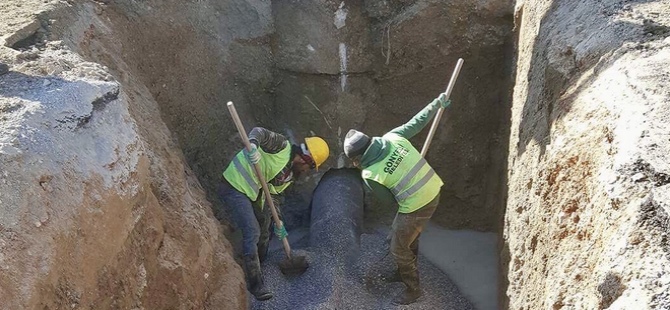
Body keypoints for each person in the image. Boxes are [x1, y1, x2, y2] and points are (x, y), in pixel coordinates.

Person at [343, 94, 451, 305]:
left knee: (397, 247)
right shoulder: (393, 137)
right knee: (408, 233)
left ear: (357, 159)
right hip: (434, 188)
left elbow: (389, 202)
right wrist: (436, 104)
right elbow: (417, 122)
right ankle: (403, 271)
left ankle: (413, 288)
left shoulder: (370, 174)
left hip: (418, 204)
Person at [218, 127, 329, 301]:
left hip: (254, 193)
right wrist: (253, 147)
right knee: (252, 231)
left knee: (265, 227)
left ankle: (260, 262)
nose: (308, 170)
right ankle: (256, 284)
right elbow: (258, 132)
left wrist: (279, 222)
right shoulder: (282, 146)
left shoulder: (290, 175)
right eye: (310, 166)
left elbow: (273, 197)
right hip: (234, 185)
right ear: (305, 159)